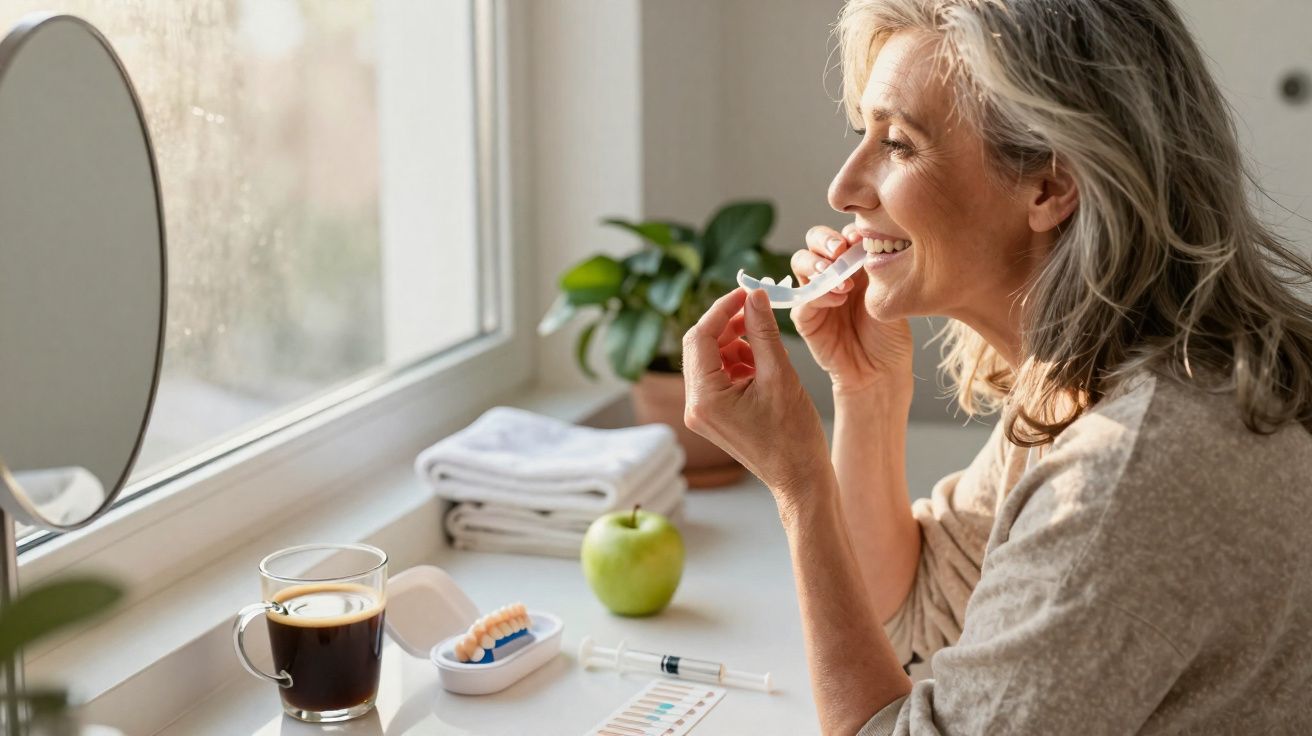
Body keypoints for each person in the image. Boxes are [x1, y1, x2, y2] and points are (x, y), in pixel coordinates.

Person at [680, 0, 1312, 733]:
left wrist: (799, 484)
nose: (844, 188)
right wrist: (866, 390)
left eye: (899, 144)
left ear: (1049, 186)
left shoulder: (1134, 465)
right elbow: (917, 614)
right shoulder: (1079, 382)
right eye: (864, 133)